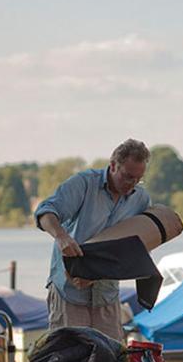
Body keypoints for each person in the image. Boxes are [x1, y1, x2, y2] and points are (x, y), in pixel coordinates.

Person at [35, 139, 152, 341]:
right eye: (127, 177)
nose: (131, 184)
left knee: (111, 360)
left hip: (106, 295)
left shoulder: (140, 199)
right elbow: (45, 212)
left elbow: (140, 247)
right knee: (68, 359)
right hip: (69, 293)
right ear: (113, 165)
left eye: (137, 179)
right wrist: (62, 237)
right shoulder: (83, 184)